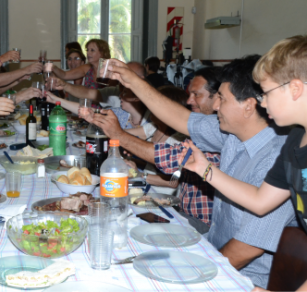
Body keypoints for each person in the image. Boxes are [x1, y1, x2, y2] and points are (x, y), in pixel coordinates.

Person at [104, 55, 295, 288]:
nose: (215, 106)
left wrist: (193, 271)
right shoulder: (232, 133)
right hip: (211, 250)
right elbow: (183, 119)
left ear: (248, 106)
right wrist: (133, 81)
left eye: (222, 99)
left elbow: (245, 249)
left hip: (242, 279)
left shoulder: (278, 158)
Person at [178, 36, 307, 292]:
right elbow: (260, 201)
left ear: (295, 88)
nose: (261, 102)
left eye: (266, 92)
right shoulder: (294, 140)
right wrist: (206, 170)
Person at [92, 66, 223, 231]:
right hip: (182, 212)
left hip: (202, 224)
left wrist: (119, 136)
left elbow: (170, 166)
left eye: (196, 94)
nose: (190, 101)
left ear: (218, 98)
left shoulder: (217, 133)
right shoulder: (195, 129)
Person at [46, 62, 150, 130]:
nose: (121, 95)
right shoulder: (122, 113)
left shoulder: (153, 118)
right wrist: (55, 99)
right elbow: (88, 108)